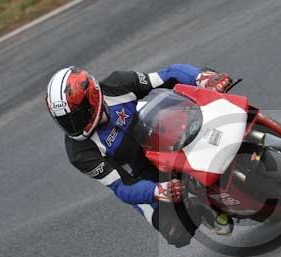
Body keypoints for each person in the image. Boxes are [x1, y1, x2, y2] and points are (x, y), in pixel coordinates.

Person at [45, 64, 233, 247]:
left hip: (166, 135)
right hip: (142, 176)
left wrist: (201, 77)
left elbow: (168, 75)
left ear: (92, 98)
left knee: (201, 97)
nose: (72, 125)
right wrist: (157, 191)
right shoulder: (80, 152)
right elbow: (120, 186)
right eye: (64, 121)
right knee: (177, 232)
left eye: (75, 116)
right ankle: (204, 208)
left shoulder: (117, 85)